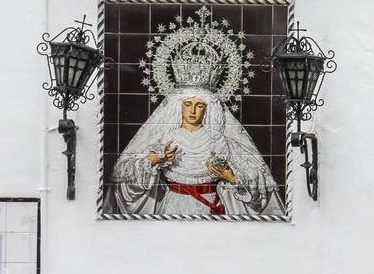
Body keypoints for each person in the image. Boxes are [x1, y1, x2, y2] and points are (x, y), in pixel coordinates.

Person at [113, 87, 281, 216]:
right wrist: (152, 160)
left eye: (199, 105)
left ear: (207, 109)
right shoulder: (165, 138)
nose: (193, 110)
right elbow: (124, 173)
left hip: (211, 206)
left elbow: (256, 177)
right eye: (188, 104)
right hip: (173, 205)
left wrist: (230, 177)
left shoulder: (219, 140)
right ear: (179, 107)